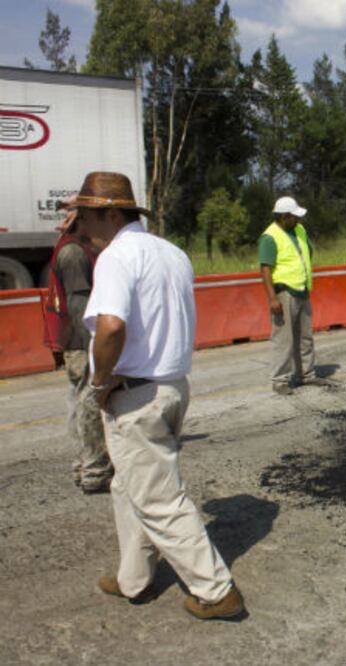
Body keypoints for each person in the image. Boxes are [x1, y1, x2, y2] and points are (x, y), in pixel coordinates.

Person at [78, 172, 244, 619]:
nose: (80, 225)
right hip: (171, 386)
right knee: (128, 484)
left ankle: (215, 590)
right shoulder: (172, 253)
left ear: (111, 213)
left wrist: (100, 381)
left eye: (86, 215)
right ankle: (135, 578)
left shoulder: (117, 257)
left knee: (159, 498)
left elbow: (111, 326)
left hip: (135, 392)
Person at [43, 196, 113, 493]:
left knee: (80, 402)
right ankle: (95, 469)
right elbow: (78, 303)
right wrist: (97, 340)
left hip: (78, 338)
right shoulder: (73, 252)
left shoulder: (80, 248)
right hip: (81, 340)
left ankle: (86, 463)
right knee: (89, 402)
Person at [258, 196, 316, 395]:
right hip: (284, 292)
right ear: (284, 217)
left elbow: (307, 253)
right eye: (293, 217)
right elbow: (265, 269)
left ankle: (306, 374)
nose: (297, 220)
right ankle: (280, 379)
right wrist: (272, 298)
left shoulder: (299, 230)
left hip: (302, 289)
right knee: (284, 339)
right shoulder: (270, 237)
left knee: (305, 337)